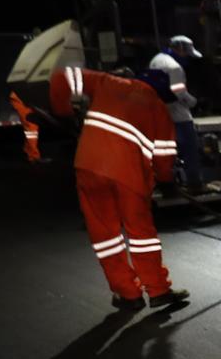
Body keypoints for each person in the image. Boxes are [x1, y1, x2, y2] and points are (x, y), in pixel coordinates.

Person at [49, 65, 189, 310]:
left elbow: (61, 76)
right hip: (129, 173)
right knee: (141, 235)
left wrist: (64, 112)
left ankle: (128, 295)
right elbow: (165, 154)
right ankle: (158, 291)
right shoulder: (158, 108)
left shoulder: (104, 82)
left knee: (106, 237)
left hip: (89, 167)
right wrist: (167, 182)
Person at [140, 53, 203, 190]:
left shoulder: (156, 60)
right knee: (189, 149)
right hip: (179, 114)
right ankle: (194, 183)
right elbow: (179, 92)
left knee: (165, 152)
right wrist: (194, 103)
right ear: (180, 49)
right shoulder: (175, 67)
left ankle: (166, 184)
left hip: (160, 112)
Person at [8, 91, 46, 164]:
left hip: (23, 98)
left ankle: (29, 151)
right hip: (22, 99)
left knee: (31, 129)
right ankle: (33, 156)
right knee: (31, 128)